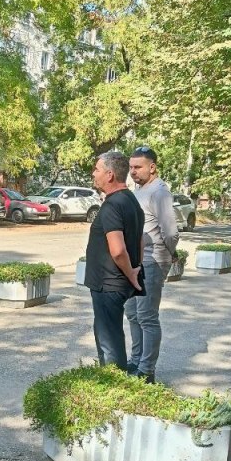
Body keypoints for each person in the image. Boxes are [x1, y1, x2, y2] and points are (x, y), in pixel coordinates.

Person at [84, 152, 144, 370]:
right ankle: (115, 379)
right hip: (115, 282)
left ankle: (114, 383)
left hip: (108, 284)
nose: (94, 173)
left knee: (109, 343)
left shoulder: (113, 205)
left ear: (109, 175)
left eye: (97, 169)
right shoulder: (131, 200)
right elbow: (140, 240)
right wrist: (135, 268)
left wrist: (131, 274)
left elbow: (118, 250)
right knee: (110, 335)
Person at [125, 146, 179, 383]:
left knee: (147, 317)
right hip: (135, 261)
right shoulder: (139, 190)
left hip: (152, 260)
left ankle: (146, 371)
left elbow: (171, 232)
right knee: (133, 314)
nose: (133, 171)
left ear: (152, 167)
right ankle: (136, 361)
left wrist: (169, 254)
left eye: (138, 167)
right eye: (131, 167)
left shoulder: (160, 192)